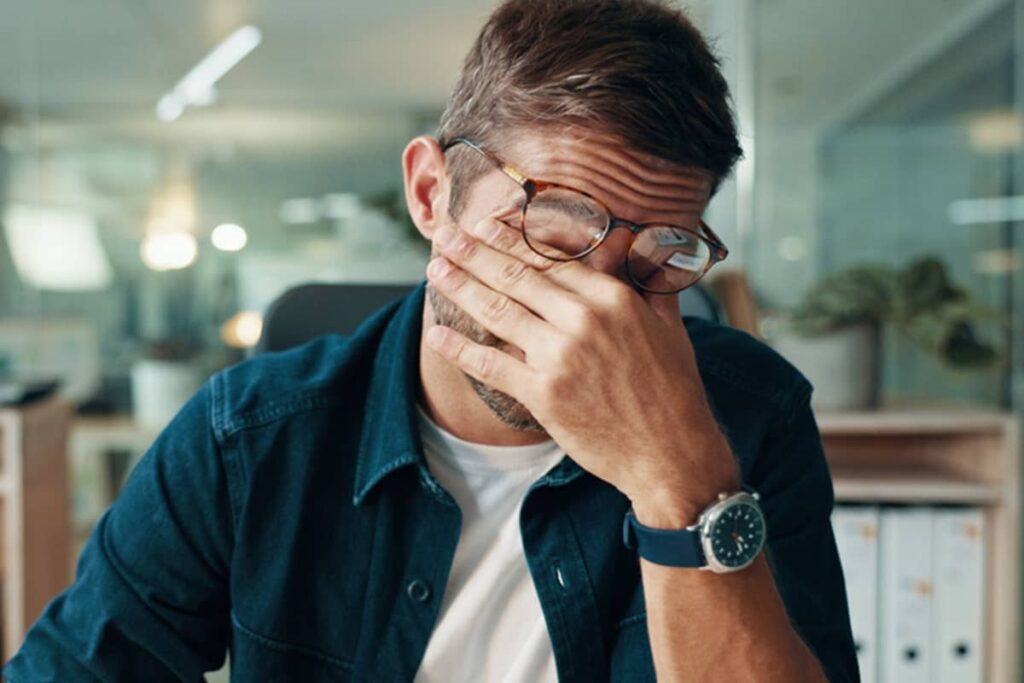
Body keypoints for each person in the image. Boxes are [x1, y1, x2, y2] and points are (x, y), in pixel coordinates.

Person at [5, 0, 858, 681]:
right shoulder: (247, 438)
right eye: (555, 230)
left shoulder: (750, 416)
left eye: (653, 259)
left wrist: (680, 480)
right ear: (429, 192)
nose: (596, 313)